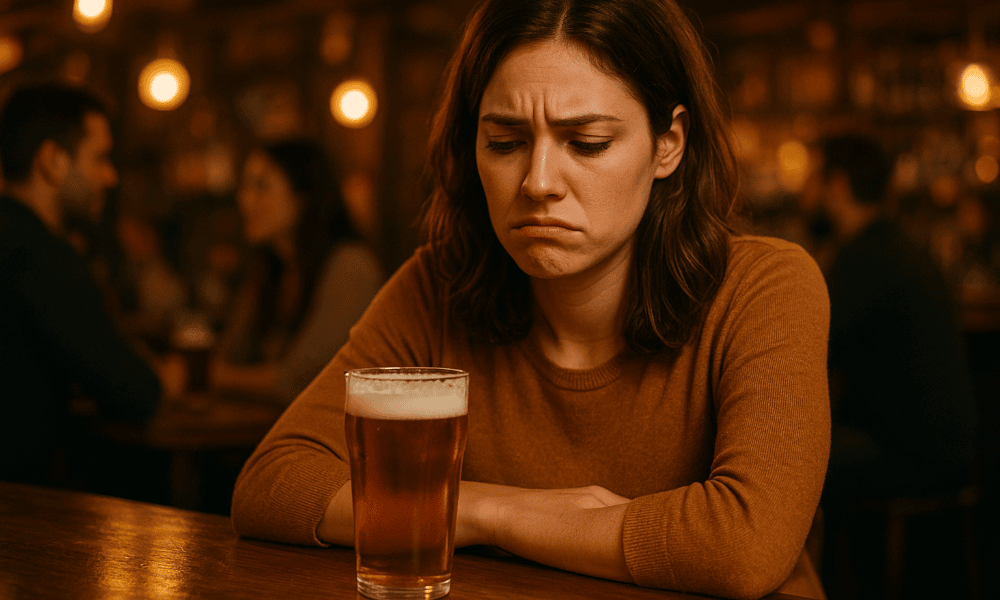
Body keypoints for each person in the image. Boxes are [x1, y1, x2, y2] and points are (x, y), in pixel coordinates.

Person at [232, 1, 831, 598]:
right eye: (506, 142)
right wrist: (504, 512)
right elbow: (273, 485)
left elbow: (743, 547)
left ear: (668, 144)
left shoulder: (765, 287)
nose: (538, 181)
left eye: (588, 142)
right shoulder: (439, 285)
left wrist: (440, 511)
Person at [814, 136, 977, 595]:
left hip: (915, 458)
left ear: (838, 184)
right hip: (951, 452)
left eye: (815, 179)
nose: (809, 192)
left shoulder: (864, 257)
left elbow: (807, 348)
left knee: (796, 464)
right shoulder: (898, 244)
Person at [0, 83, 165, 486]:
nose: (110, 177)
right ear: (53, 161)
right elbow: (134, 391)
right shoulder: (40, 257)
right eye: (100, 159)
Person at [209, 139, 384, 404]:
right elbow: (230, 353)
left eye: (261, 186)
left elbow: (302, 380)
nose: (245, 200)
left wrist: (212, 377)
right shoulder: (273, 269)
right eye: (245, 186)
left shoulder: (350, 266)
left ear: (303, 196)